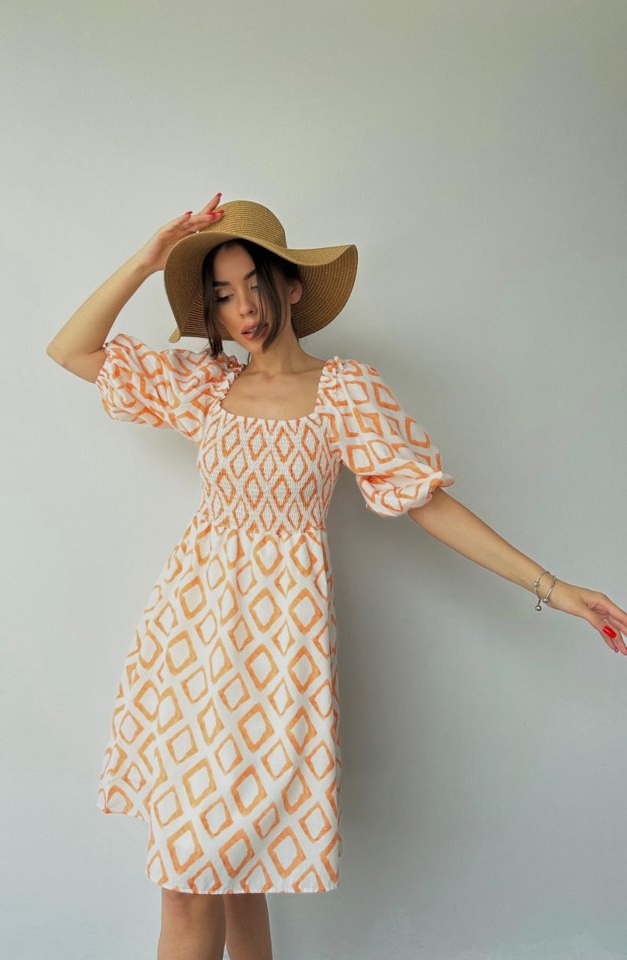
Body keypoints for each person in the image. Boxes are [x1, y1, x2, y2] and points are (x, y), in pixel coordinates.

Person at [46, 194, 627, 960]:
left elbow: (427, 502)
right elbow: (72, 351)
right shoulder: (205, 385)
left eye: (255, 284)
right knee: (199, 878)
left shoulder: (345, 390)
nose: (243, 309)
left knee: (232, 869)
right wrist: (148, 260)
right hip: (190, 645)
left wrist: (554, 588)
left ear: (291, 286)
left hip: (277, 654)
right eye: (221, 294)